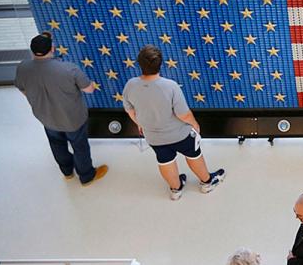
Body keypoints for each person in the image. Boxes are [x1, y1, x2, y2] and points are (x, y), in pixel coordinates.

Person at [122, 45, 224, 200]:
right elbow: (183, 114)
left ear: (140, 64)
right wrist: (195, 124)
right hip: (179, 134)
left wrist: (141, 124)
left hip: (153, 137)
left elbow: (130, 110)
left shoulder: (130, 85)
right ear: (160, 64)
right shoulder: (170, 86)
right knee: (193, 155)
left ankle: (176, 190)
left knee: (165, 160)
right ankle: (207, 182)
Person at [14, 32, 108, 186]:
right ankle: (86, 176)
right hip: (72, 119)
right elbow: (89, 89)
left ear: (32, 51)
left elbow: (22, 89)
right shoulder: (69, 69)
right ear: (52, 48)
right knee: (80, 146)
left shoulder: (22, 68)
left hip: (45, 117)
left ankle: (67, 172)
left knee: (57, 144)